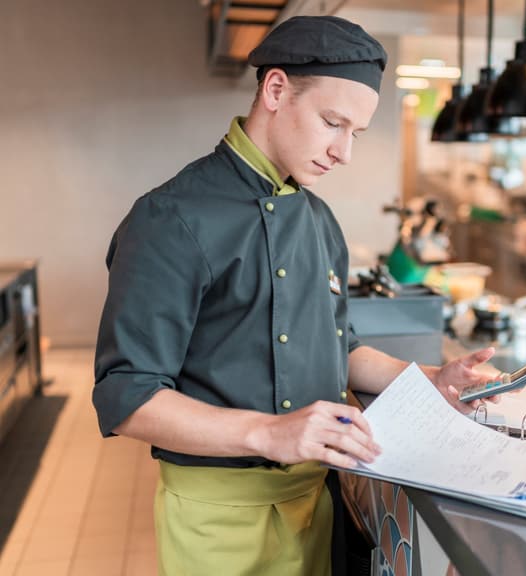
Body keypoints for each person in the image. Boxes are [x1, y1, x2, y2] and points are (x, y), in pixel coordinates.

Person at [93, 14, 495, 576]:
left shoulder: (319, 219)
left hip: (319, 502)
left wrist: (427, 380)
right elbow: (127, 397)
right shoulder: (171, 218)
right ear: (276, 90)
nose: (343, 152)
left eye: (355, 132)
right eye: (333, 122)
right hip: (221, 518)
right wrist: (269, 432)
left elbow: (341, 348)